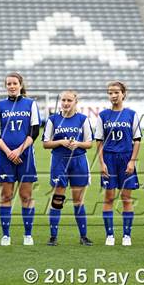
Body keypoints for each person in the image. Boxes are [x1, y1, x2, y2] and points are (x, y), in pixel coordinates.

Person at [0, 72, 40, 246]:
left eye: (14, 83)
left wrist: (19, 150)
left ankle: (28, 234)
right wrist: (8, 152)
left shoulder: (31, 104)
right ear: (5, 86)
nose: (12, 86)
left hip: (25, 156)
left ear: (20, 85)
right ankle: (6, 235)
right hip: (5, 157)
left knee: (26, 196)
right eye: (8, 84)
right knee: (6, 196)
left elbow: (34, 131)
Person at [42, 90, 93, 246]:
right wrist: (61, 142)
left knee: (78, 200)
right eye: (63, 100)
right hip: (59, 161)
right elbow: (45, 143)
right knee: (58, 199)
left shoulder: (83, 119)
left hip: (78, 161)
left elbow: (89, 143)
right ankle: (53, 237)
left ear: (75, 102)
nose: (65, 103)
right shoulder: (53, 119)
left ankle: (83, 236)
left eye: (69, 100)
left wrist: (77, 144)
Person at [95, 81, 141, 246]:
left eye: (116, 92)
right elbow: (99, 142)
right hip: (109, 159)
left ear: (123, 94)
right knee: (108, 197)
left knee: (126, 198)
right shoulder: (103, 116)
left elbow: (137, 140)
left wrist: (132, 161)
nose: (113, 96)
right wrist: (101, 163)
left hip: (126, 158)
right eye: (110, 93)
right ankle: (110, 235)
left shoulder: (131, 114)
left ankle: (126, 235)